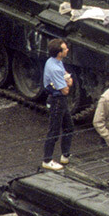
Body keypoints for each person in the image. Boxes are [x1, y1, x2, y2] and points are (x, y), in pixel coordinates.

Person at [42, 38, 74, 169]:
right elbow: (65, 90)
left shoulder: (55, 61)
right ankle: (47, 160)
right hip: (57, 100)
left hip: (61, 100)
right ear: (59, 53)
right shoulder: (54, 68)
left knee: (69, 127)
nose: (67, 50)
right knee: (53, 131)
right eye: (65, 49)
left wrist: (67, 80)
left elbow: (66, 75)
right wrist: (68, 82)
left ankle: (65, 155)